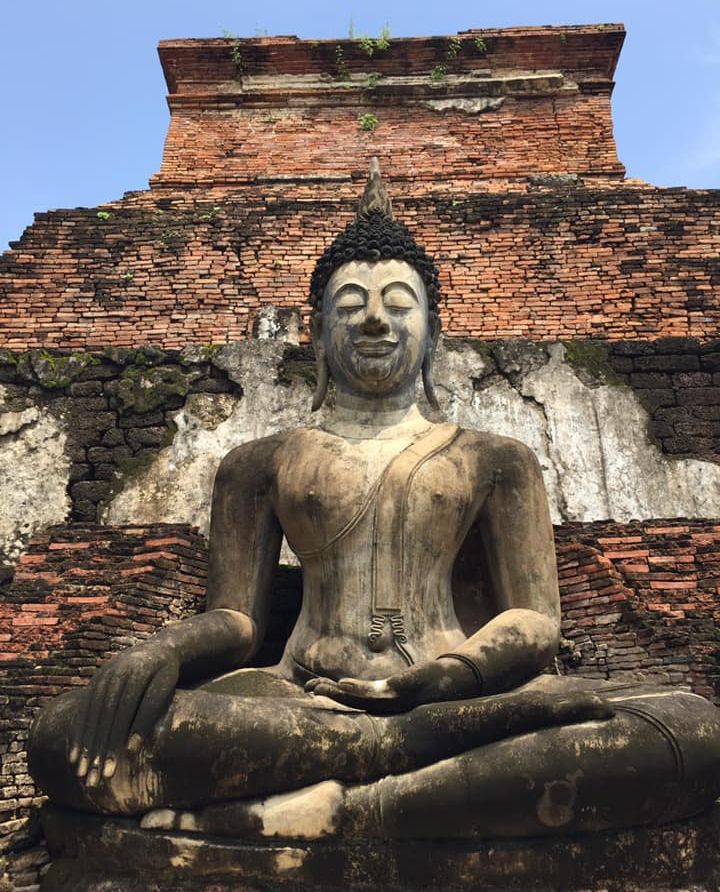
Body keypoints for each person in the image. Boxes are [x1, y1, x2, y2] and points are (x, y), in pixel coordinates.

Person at [28, 160, 720, 840]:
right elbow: (236, 618)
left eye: (399, 304)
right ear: (320, 337)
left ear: (433, 335)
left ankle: (346, 807)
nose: (374, 322)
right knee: (67, 737)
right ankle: (399, 765)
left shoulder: (495, 460)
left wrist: (452, 677)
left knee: (690, 729)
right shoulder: (258, 463)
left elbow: (536, 620)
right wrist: (164, 649)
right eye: (350, 306)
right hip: (304, 700)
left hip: (460, 695)